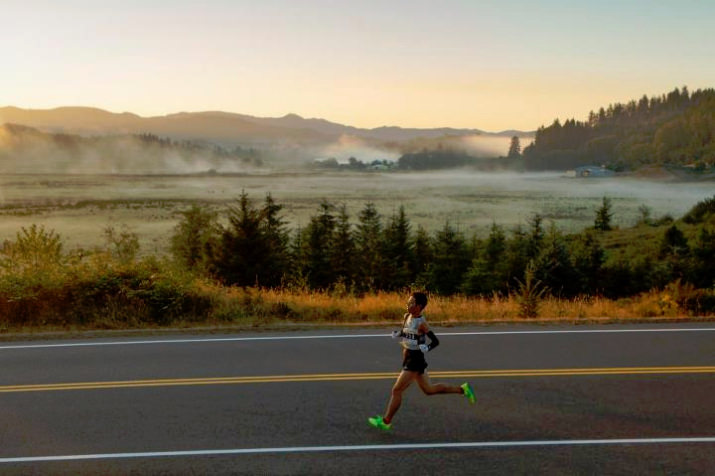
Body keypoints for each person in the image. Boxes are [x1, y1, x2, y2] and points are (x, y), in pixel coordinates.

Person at [368, 292, 475, 431]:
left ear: (418, 306)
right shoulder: (407, 316)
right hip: (408, 356)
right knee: (429, 390)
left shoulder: (422, 323)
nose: (408, 304)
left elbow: (435, 341)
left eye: (411, 302)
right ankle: (463, 389)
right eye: (408, 302)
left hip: (415, 359)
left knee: (397, 390)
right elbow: (406, 331)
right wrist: (399, 334)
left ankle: (386, 421)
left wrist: (427, 348)